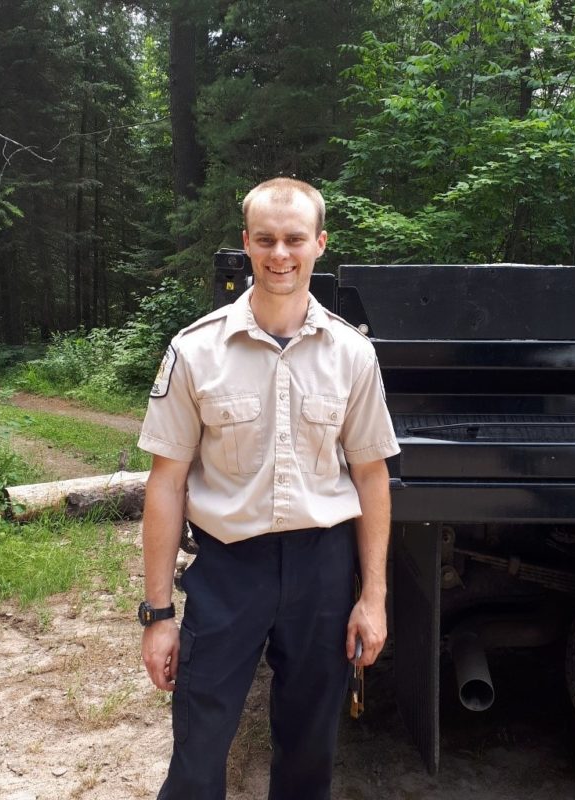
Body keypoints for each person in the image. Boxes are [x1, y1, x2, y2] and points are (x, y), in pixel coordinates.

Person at [137, 177, 400, 800]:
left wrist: (374, 597)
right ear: (246, 244)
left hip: (322, 570)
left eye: (294, 239)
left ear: (319, 244)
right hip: (229, 569)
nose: (280, 254)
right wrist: (157, 615)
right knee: (199, 747)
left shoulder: (352, 354)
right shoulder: (195, 351)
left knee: (310, 749)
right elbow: (166, 484)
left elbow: (370, 474)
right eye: (266, 240)